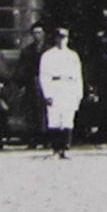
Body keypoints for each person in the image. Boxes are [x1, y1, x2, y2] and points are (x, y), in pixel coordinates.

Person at [38, 25, 85, 159]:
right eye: (59, 38)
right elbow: (44, 76)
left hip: (68, 87)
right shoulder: (48, 56)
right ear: (55, 39)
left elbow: (78, 76)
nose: (61, 41)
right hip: (55, 86)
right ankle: (55, 148)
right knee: (54, 118)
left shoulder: (73, 56)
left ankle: (65, 148)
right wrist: (47, 94)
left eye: (64, 38)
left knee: (67, 119)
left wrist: (78, 94)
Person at [10, 21, 47, 148]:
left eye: (39, 32)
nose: (37, 35)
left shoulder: (49, 50)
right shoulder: (27, 51)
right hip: (32, 83)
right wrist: (21, 84)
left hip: (47, 84)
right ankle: (33, 139)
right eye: (35, 33)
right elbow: (22, 69)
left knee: (46, 111)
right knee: (32, 112)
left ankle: (46, 139)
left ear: (44, 34)